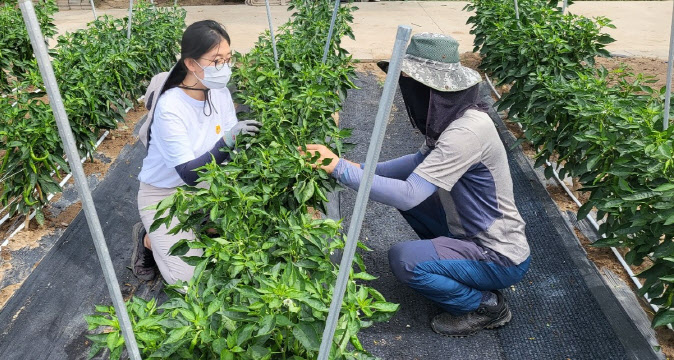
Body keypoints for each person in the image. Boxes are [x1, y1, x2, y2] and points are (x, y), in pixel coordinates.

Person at [303, 33, 530, 337]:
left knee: (404, 259)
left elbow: (410, 195)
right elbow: (416, 163)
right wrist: (360, 168)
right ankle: (453, 263)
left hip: (497, 254)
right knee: (410, 192)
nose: (407, 88)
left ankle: (484, 305)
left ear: (435, 88)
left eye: (414, 81)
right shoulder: (455, 117)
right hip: (469, 231)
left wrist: (339, 169)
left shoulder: (466, 132)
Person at [130, 20, 262, 285]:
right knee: (189, 282)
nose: (224, 67)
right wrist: (227, 141)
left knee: (251, 239)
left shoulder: (219, 92)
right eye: (216, 60)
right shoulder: (171, 106)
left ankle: (196, 227)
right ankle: (147, 238)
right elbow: (189, 174)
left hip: (205, 188)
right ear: (191, 64)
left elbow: (226, 150)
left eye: (228, 59)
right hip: (164, 195)